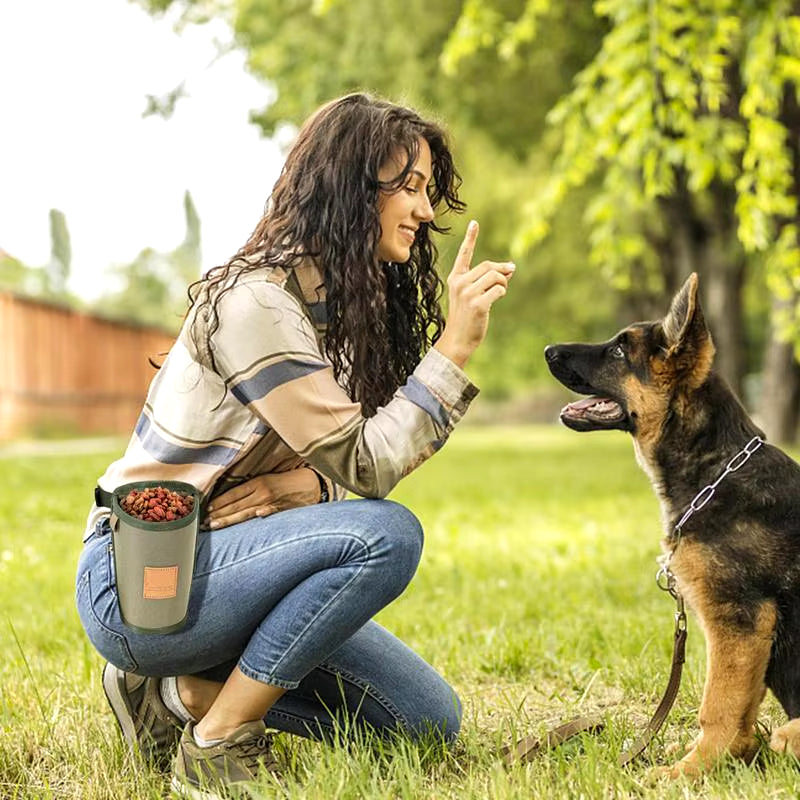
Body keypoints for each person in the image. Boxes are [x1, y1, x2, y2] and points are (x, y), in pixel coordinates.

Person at [75, 92, 514, 799]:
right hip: (146, 582)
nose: (427, 211)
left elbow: (354, 461)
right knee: (387, 537)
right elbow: (370, 467)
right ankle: (218, 743)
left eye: (427, 189)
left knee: (425, 723)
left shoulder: (343, 307)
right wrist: (455, 347)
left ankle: (175, 700)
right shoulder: (258, 304)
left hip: (241, 571)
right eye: (409, 187)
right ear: (350, 187)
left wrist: (309, 489)